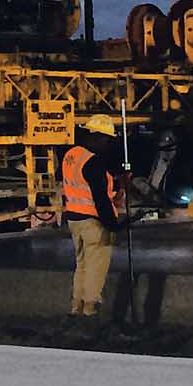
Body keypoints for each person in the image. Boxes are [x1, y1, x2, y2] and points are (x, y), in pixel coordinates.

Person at [61, 115, 127, 322]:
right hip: (93, 223)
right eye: (106, 140)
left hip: (74, 219)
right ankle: (90, 309)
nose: (108, 145)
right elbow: (100, 199)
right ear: (96, 137)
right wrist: (112, 225)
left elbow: (83, 188)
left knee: (81, 265)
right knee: (96, 266)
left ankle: (76, 307)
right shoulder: (93, 161)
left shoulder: (71, 155)